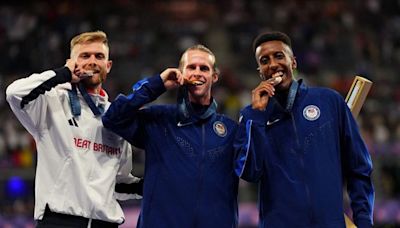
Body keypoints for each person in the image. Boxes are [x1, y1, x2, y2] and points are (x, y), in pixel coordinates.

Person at [234, 31, 374, 228]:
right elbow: (249, 172)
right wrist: (257, 116)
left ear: (293, 62)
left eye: (279, 56)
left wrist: (364, 221)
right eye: (264, 60)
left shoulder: (329, 102)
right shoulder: (250, 116)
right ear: (260, 72)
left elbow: (359, 168)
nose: (273, 64)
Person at [6, 31, 142, 228]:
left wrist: (150, 184)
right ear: (71, 62)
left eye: (99, 56)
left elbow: (119, 183)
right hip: (59, 222)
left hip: (105, 224)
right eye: (85, 56)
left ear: (108, 66)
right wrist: (62, 74)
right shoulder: (51, 102)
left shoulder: (117, 116)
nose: (92, 61)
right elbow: (14, 93)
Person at [102, 44, 239, 227]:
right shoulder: (159, 120)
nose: (197, 72)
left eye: (204, 68)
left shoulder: (231, 130)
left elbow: (254, 171)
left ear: (214, 76)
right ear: (180, 73)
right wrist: (157, 84)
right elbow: (113, 118)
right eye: (191, 67)